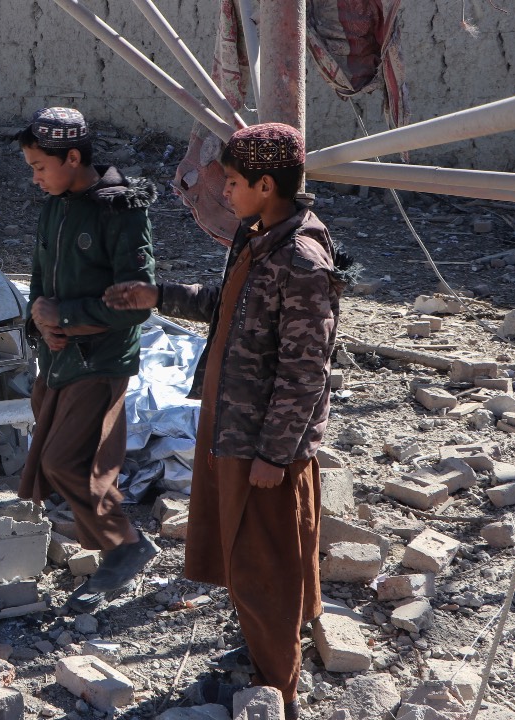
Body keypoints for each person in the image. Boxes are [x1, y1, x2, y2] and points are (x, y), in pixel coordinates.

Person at [103, 123, 352, 718]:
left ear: (266, 185)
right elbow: (229, 305)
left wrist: (273, 454)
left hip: (263, 442)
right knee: (256, 553)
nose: (225, 193)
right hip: (235, 428)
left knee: (264, 562)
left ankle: (275, 686)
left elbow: (306, 371)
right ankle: (273, 649)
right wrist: (158, 296)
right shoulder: (258, 234)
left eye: (234, 183)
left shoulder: (301, 260)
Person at [15, 107, 161, 614]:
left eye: (40, 167)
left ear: (73, 158)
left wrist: (67, 317)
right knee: (54, 460)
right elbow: (40, 275)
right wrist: (40, 321)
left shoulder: (120, 211)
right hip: (58, 358)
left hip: (100, 360)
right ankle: (111, 544)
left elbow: (135, 302)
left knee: (68, 461)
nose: (35, 178)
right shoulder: (56, 205)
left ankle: (127, 547)